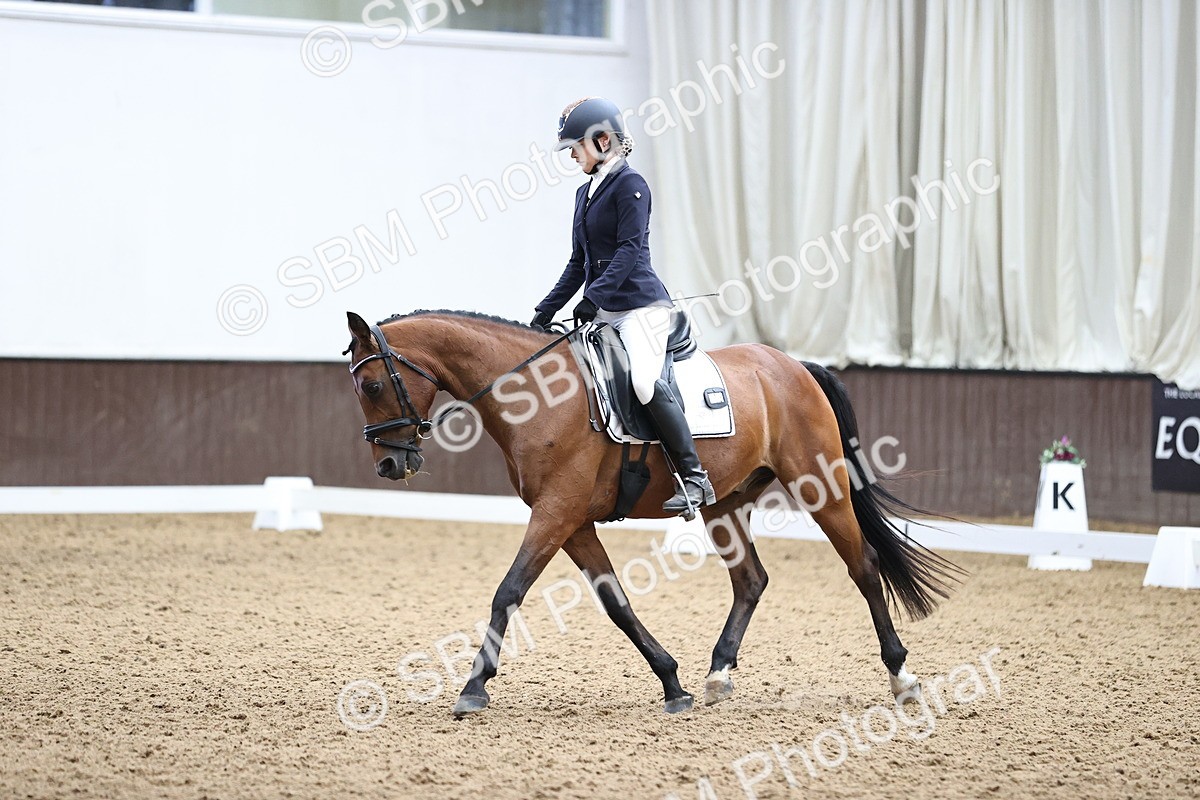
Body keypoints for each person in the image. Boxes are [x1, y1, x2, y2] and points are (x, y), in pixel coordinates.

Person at [530, 97, 715, 516]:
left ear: (602, 140)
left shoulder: (632, 185)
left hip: (641, 309)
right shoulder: (584, 192)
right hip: (604, 310)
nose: (571, 155)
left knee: (645, 383)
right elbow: (578, 262)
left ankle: (694, 477)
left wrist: (593, 298)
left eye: (575, 146)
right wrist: (546, 309)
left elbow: (629, 251)